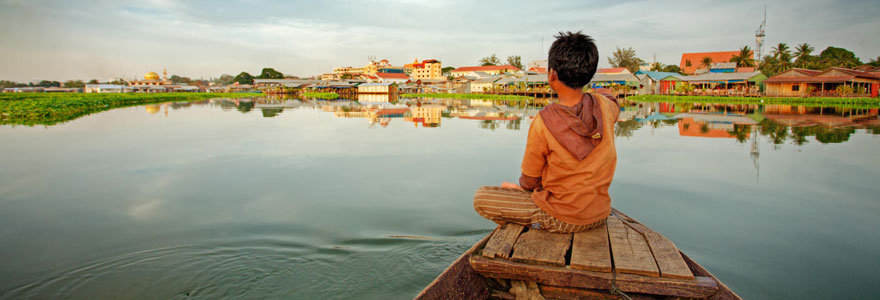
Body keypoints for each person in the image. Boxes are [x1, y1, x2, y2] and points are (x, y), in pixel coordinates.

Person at [473, 31, 620, 233]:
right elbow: (611, 98)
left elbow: (529, 181)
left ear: (551, 75)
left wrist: (522, 190)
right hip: (599, 214)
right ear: (589, 74)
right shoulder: (605, 107)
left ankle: (536, 222)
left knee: (482, 197)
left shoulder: (543, 121)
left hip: (562, 218)